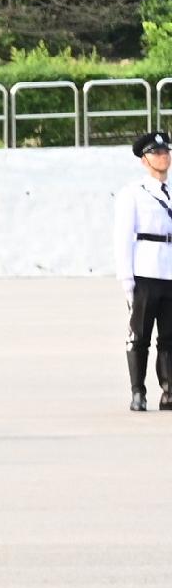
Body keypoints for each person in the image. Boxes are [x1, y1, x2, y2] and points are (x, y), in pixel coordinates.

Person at [130, 135, 172, 412]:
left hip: (170, 271)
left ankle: (169, 391)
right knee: (140, 336)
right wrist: (126, 280)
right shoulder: (133, 193)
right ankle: (138, 392)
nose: (163, 155)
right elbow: (123, 239)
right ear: (144, 159)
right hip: (145, 272)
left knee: (169, 336)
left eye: (165, 150)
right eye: (155, 152)